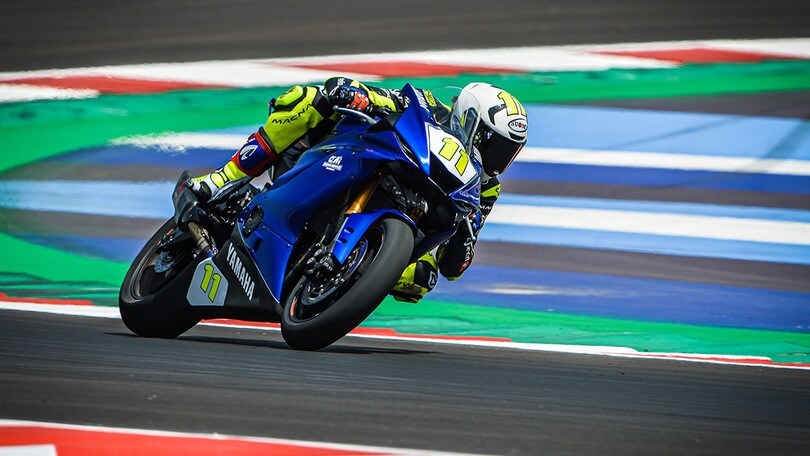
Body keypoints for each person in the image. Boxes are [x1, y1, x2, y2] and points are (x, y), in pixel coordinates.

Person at [182, 77, 528, 303]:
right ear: (470, 121)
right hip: (343, 158)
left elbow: (455, 264)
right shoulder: (429, 107)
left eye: (507, 152)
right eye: (494, 146)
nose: (499, 160)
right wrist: (357, 93)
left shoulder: (484, 188)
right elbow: (383, 97)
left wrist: (466, 235)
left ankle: (345, 278)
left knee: (424, 277)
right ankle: (221, 179)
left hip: (396, 219)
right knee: (306, 99)